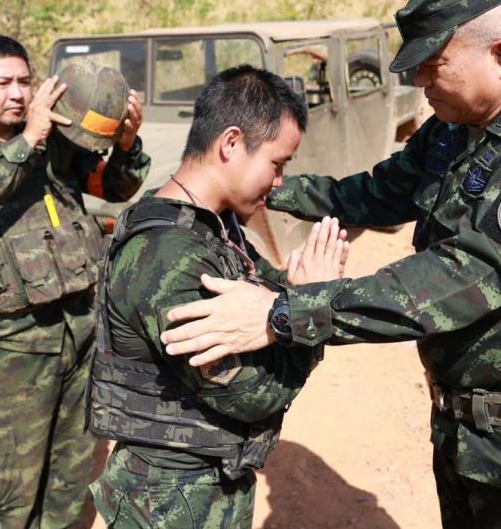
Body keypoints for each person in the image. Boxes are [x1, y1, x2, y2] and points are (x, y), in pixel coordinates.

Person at [160, 0, 501, 528]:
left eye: (433, 63)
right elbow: (373, 195)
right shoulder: (452, 133)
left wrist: (284, 313)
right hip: (465, 434)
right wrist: (261, 183)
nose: (418, 80)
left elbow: (457, 279)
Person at [87, 66, 348, 529]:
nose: (279, 182)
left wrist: (296, 291)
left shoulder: (208, 224)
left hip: (204, 482)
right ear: (230, 143)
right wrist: (308, 310)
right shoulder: (167, 256)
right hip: (171, 498)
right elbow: (252, 394)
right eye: (277, 164)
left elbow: (262, 283)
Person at [0, 35, 149, 527]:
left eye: (24, 81)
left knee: (70, 476)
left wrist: (126, 145)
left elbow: (113, 187)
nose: (18, 94)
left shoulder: (55, 143)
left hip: (78, 333)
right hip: (7, 348)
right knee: (12, 487)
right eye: (3, 83)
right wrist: (27, 142)